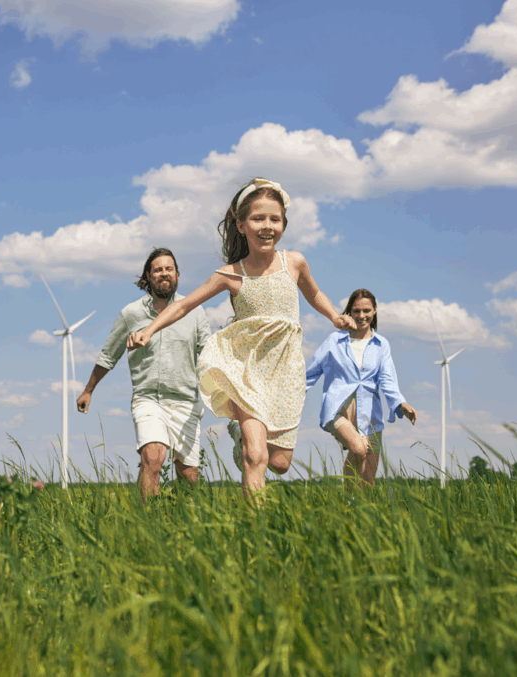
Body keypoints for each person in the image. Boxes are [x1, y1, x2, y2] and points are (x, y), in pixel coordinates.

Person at [127, 178, 356, 499]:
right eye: (258, 219)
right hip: (247, 372)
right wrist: (149, 330)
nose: (267, 226)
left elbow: (314, 294)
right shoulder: (232, 274)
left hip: (285, 372)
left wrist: (334, 316)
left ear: (284, 223)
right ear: (241, 225)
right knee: (255, 456)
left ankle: (239, 435)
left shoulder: (294, 263)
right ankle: (255, 523)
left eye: (275, 219)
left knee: (279, 463)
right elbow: (183, 305)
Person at [76, 248, 211, 502]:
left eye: (169, 269)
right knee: (153, 456)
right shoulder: (131, 314)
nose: (164, 274)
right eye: (158, 270)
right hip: (148, 399)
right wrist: (88, 390)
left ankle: (182, 520)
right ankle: (149, 518)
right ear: (148, 276)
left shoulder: (194, 311)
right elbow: (108, 355)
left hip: (185, 401)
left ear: (178, 274)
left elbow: (208, 355)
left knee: (189, 476)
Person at [305, 289, 418, 489]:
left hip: (370, 414)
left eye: (366, 310)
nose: (361, 315)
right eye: (356, 311)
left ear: (375, 311)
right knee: (358, 449)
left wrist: (401, 403)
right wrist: (288, 398)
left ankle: (356, 507)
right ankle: (347, 500)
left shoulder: (381, 345)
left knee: (367, 481)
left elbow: (387, 379)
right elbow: (311, 373)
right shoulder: (334, 341)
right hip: (338, 409)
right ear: (349, 312)